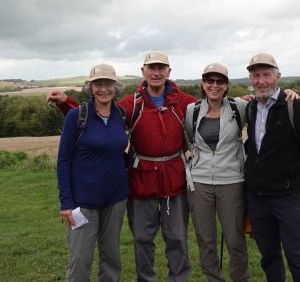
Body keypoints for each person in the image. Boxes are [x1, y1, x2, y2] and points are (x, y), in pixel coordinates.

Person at [49, 52, 196, 282]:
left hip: (163, 183)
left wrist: (242, 102)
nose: (156, 73)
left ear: (169, 71)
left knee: (174, 239)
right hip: (136, 183)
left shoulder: (182, 101)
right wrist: (67, 103)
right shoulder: (131, 104)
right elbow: (91, 118)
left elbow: (211, 106)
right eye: (151, 68)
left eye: (161, 68)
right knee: (140, 241)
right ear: (143, 71)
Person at [244, 53, 300, 282]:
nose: (261, 81)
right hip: (258, 197)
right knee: (269, 256)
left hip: (288, 197)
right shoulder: (251, 108)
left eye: (266, 75)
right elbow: (255, 146)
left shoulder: (293, 106)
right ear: (251, 78)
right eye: (256, 75)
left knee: (296, 255)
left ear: (278, 77)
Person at [57, 64, 128, 281]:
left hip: (115, 198)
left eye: (108, 84)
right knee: (80, 258)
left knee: (111, 257)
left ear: (115, 87)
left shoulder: (121, 115)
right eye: (98, 84)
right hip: (82, 202)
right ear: (91, 87)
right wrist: (66, 203)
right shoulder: (77, 116)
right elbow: (63, 161)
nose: (103, 89)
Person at [184, 63, 250, 282]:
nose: (214, 85)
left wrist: (288, 92)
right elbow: (188, 139)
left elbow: (266, 106)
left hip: (231, 181)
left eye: (219, 81)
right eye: (209, 81)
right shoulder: (192, 110)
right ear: (203, 85)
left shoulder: (239, 107)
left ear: (227, 85)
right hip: (199, 183)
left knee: (234, 239)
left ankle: (240, 279)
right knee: (206, 240)